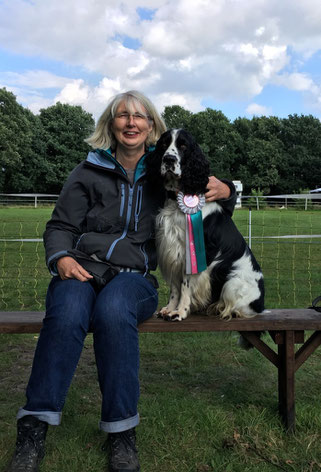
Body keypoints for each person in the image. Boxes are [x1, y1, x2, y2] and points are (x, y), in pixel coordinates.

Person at [6, 90, 236, 472]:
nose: (131, 122)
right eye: (122, 115)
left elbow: (202, 184)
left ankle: (122, 435)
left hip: (134, 279)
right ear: (110, 124)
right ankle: (33, 429)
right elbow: (60, 225)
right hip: (82, 268)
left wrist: (228, 189)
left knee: (114, 311)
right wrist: (61, 256)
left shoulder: (164, 167)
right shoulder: (87, 171)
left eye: (140, 116)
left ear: (151, 126)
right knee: (65, 312)